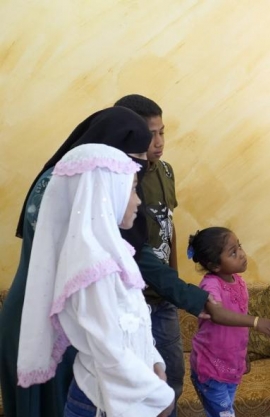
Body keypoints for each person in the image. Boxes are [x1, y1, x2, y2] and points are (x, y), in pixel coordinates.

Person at [0, 107, 154, 417]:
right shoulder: (72, 183)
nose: (136, 169)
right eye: (134, 158)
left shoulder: (71, 180)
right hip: (51, 315)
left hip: (60, 309)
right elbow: (79, 264)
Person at [17, 143, 174, 416]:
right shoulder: (92, 267)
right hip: (99, 400)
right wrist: (159, 397)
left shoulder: (116, 253)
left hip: (129, 392)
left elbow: (134, 323)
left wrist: (155, 363)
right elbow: (109, 350)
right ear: (105, 191)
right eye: (132, 188)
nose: (138, 200)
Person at [114, 94, 184, 415]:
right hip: (132, 298)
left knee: (173, 373)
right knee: (139, 381)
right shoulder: (121, 176)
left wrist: (174, 278)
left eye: (162, 132)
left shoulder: (166, 171)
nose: (159, 142)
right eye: (150, 134)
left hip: (163, 296)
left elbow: (169, 223)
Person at [187, 227, 270, 417]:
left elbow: (238, 325)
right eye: (233, 252)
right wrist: (256, 321)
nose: (242, 254)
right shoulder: (210, 285)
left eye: (239, 246)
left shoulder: (239, 282)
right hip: (211, 369)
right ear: (215, 265)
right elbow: (218, 314)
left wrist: (243, 356)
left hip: (231, 367)